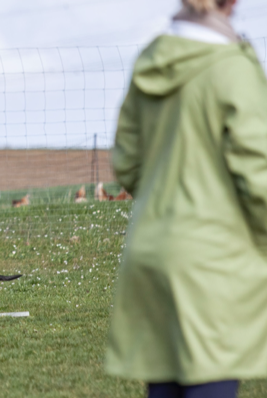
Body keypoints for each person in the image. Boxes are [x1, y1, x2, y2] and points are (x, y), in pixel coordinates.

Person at [106, 0, 267, 397]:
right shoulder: (234, 69)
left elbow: (126, 163)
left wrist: (168, 201)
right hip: (212, 263)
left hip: (151, 252)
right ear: (230, 3)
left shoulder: (151, 60)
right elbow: (259, 177)